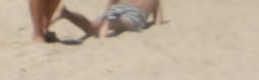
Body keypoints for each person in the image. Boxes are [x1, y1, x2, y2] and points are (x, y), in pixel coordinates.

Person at [30, 0, 162, 41]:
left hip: (113, 11)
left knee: (93, 26)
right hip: (134, 13)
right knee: (126, 23)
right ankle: (111, 22)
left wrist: (107, 15)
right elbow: (158, 21)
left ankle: (67, 14)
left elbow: (111, 5)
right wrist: (151, 23)